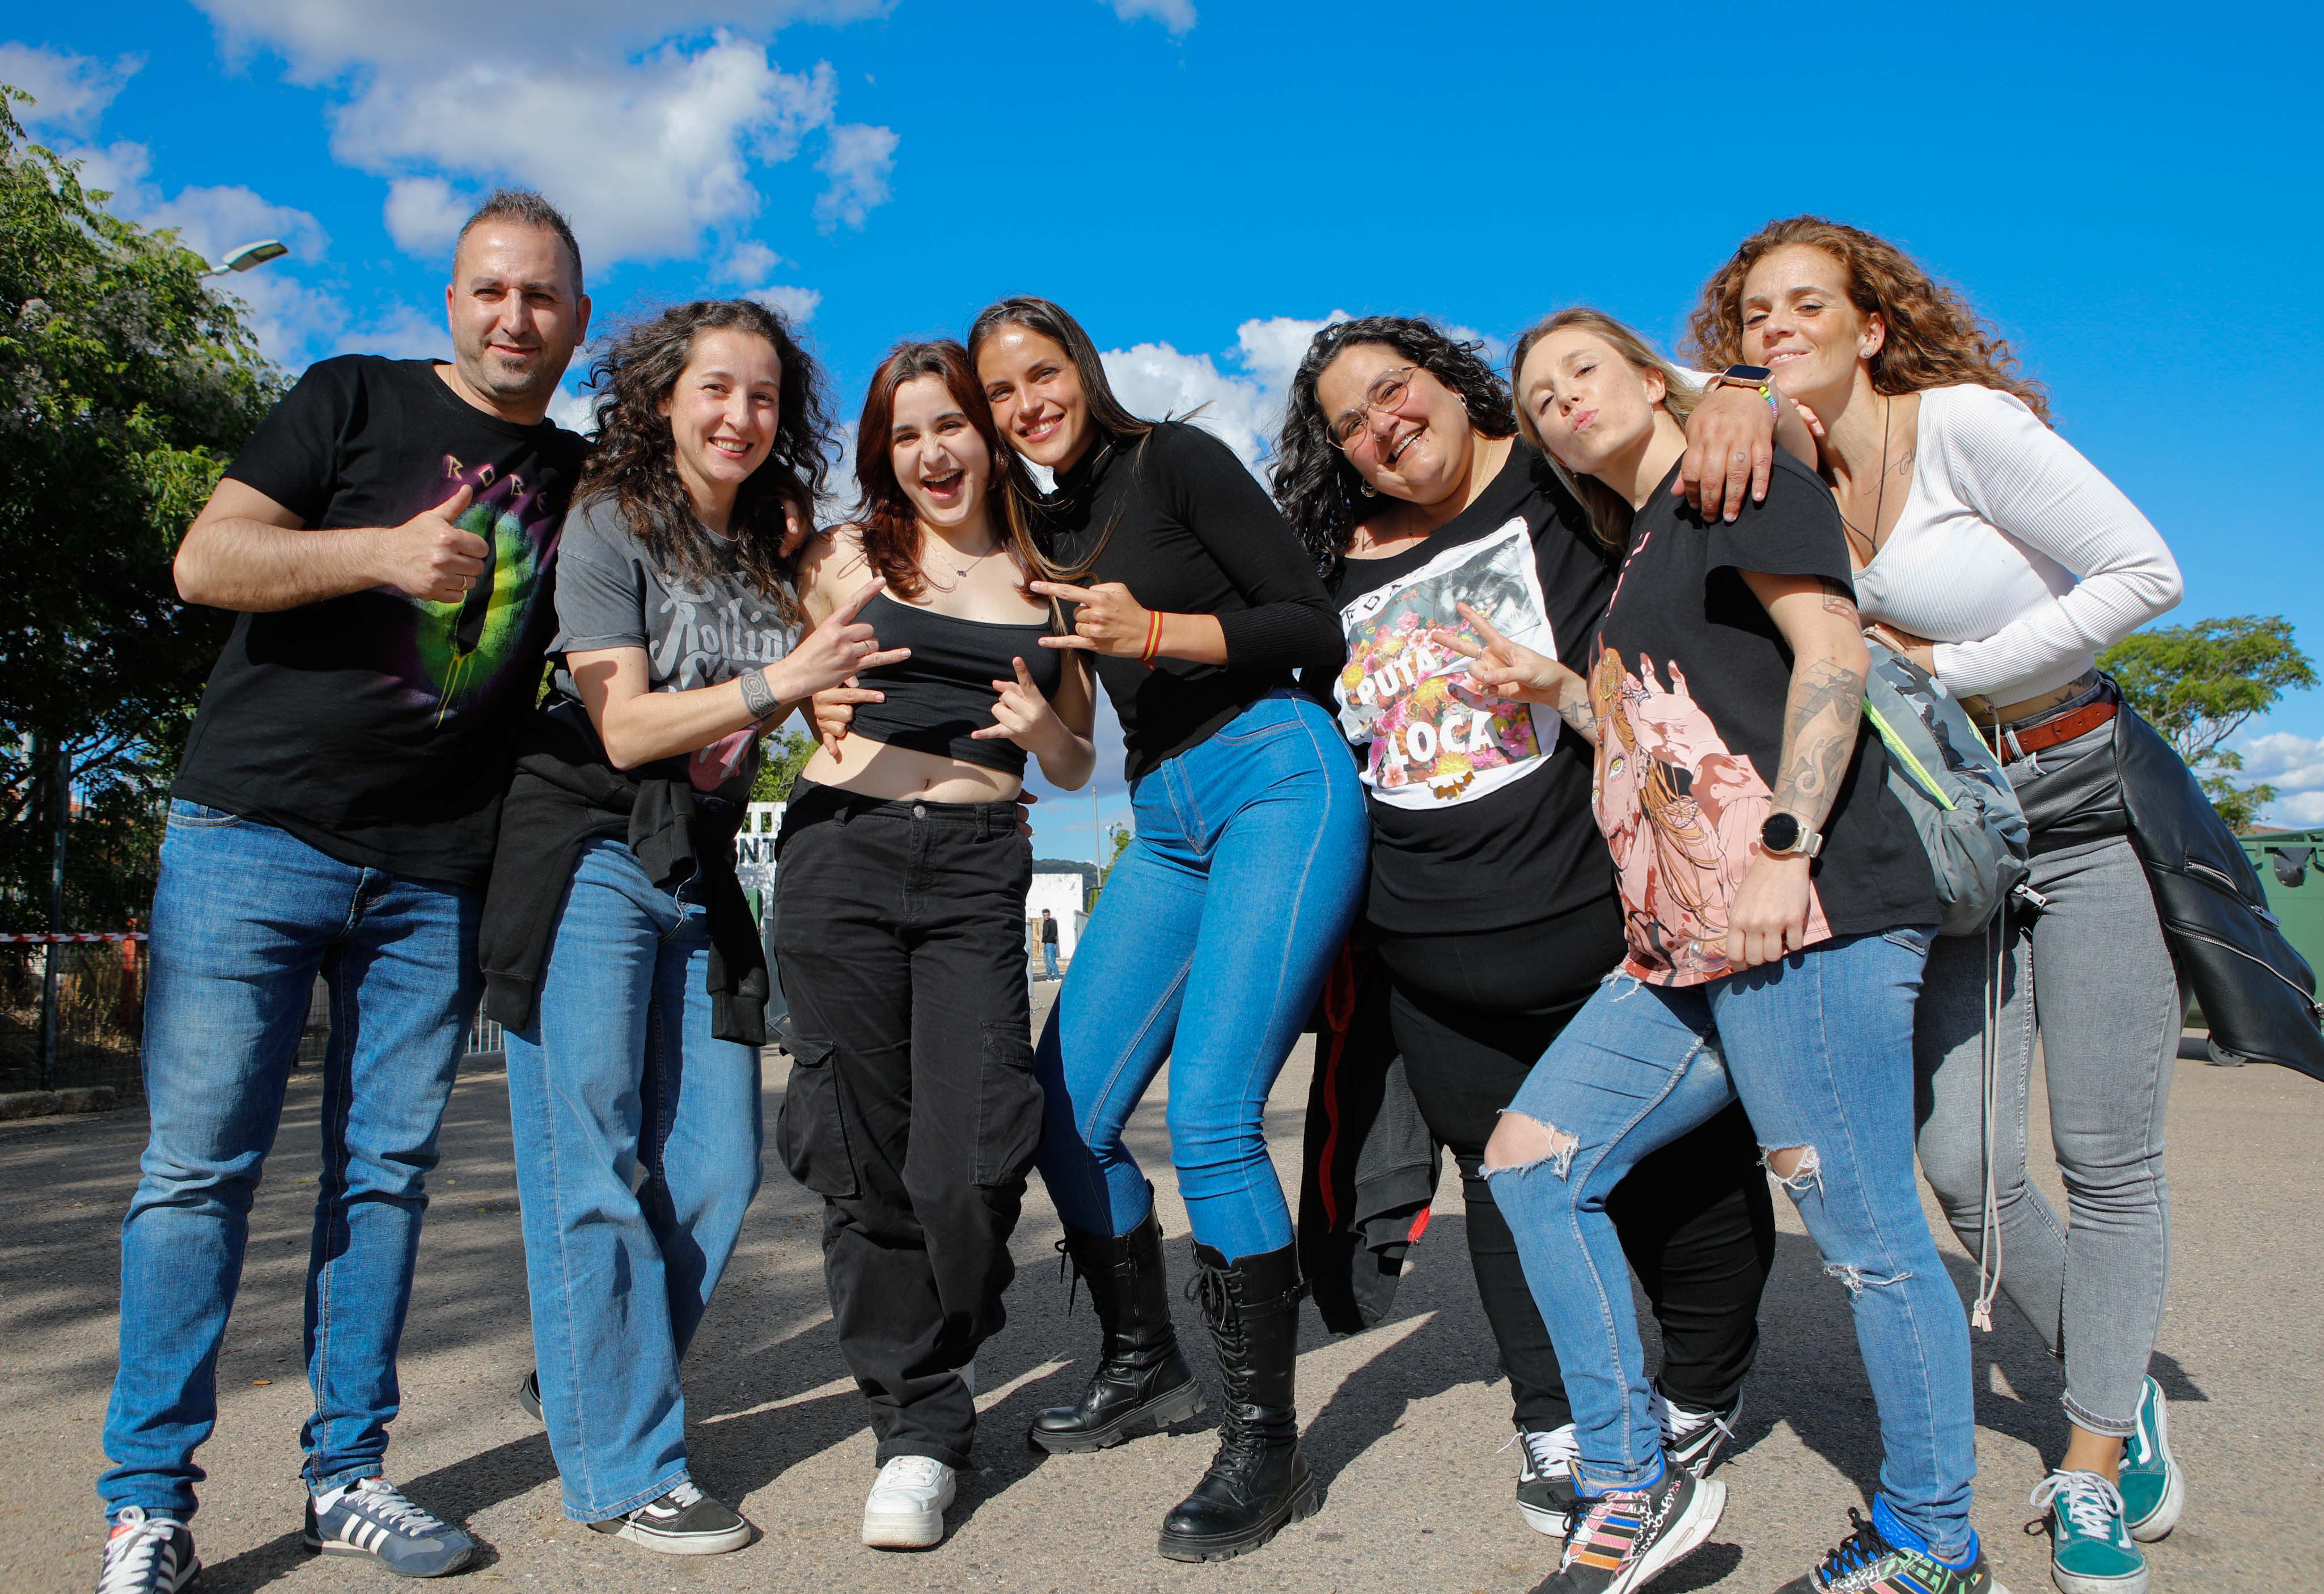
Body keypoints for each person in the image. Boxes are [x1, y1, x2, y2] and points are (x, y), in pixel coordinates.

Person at [94, 189, 589, 1593]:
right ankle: (145, 1503)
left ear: (576, 321)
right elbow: (207, 560)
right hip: (253, 832)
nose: (513, 317)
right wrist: (375, 552)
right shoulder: (350, 399)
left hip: (435, 867)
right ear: (451, 300)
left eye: (541, 296)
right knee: (198, 1170)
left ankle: (346, 1474)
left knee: (384, 1176)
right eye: (490, 290)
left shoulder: (576, 476)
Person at [1687, 215, 2187, 1594]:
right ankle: (2116, 1373)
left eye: (1805, 306)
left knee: (2105, 1154)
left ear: (1872, 327)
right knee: (1964, 1163)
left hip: (2078, 803)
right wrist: (1728, 399)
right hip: (1947, 838)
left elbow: (2146, 574)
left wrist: (1947, 662)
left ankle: (2087, 1458)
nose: (1775, 328)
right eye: (1750, 317)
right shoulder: (1768, 468)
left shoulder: (1957, 424)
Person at [1467, 308, 1997, 1594]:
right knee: (1530, 1163)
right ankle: (1628, 1477)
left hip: (1800, 914)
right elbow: (1657, 735)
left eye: (1580, 370)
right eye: (1535, 396)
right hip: (1683, 944)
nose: (1557, 402)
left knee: (1865, 1233)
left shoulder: (1736, 475)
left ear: (1654, 378)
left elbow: (1828, 652)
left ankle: (1933, 1539)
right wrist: (1552, 688)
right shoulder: (1643, 546)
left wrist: (1781, 837)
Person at [1271, 316, 1782, 1539]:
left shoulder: (1556, 471)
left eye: (1393, 392)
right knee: (1500, 1188)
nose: (1382, 427)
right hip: (1430, 948)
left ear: (1447, 380)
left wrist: (1744, 385)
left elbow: (1667, 410)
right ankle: (1554, 1418)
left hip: (1605, 919)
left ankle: (1701, 1390)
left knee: (1689, 1177)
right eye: (1350, 423)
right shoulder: (1332, 556)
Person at [477, 298, 886, 1555]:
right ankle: (623, 1468)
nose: (738, 416)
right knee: (589, 1161)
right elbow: (624, 728)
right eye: (715, 389)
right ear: (666, 398)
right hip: (587, 846)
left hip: (698, 860)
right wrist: (782, 681)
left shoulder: (772, 540)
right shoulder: (612, 521)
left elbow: (798, 700)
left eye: (763, 397)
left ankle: (593, 1376)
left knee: (716, 1163)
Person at [966, 295, 1365, 1562]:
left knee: (1208, 1115)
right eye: (1004, 393)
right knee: (1064, 1110)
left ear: (1082, 367)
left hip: (1274, 770)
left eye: (1046, 372)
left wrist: (1158, 633)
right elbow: (1069, 723)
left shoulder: (1176, 459)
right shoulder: (1041, 528)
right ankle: (1145, 1364)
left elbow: (1314, 625)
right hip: (1167, 810)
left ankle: (1267, 1444)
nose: (1031, 402)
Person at [775, 339, 1095, 1549]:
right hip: (838, 852)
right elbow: (782, 678)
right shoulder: (845, 558)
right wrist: (804, 690)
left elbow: (1071, 759)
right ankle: (918, 1424)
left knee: (969, 1158)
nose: (933, 452)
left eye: (951, 423)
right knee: (859, 1149)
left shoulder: (1052, 578)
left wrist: (1034, 728)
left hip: (973, 867)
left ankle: (941, 1337)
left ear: (989, 429)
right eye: (906, 434)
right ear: (884, 452)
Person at [1039, 908, 1061, 980]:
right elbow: (1045, 933)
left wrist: (1046, 941)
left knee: (1052, 961)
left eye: (1048, 915)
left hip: (1051, 944)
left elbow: (1053, 934)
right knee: (1046, 962)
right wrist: (1043, 942)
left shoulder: (1053, 922)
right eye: (1045, 915)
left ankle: (1058, 977)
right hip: (1046, 944)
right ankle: (1050, 977)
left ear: (1050, 915)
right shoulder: (1045, 922)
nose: (1046, 917)